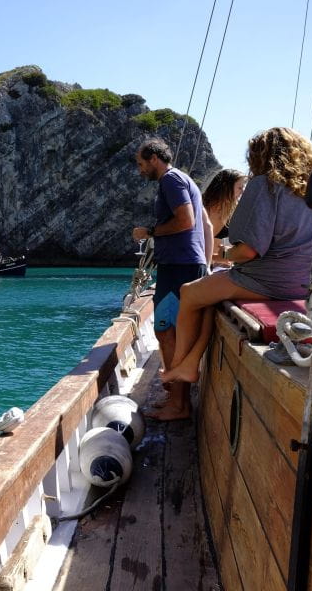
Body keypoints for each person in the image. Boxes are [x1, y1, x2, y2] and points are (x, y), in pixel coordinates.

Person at [161, 128, 312, 401]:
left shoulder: (265, 184)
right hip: (306, 285)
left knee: (190, 292)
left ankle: (181, 368)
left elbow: (247, 251)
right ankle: (189, 363)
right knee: (210, 298)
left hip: (268, 282)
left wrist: (225, 254)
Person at [130, 138, 207, 420]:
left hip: (179, 266)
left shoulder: (170, 181)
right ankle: (177, 400)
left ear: (154, 159)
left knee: (167, 331)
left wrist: (149, 232)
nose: (140, 171)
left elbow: (187, 221)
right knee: (172, 332)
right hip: (183, 264)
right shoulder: (183, 179)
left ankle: (178, 404)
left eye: (141, 163)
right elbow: (204, 224)